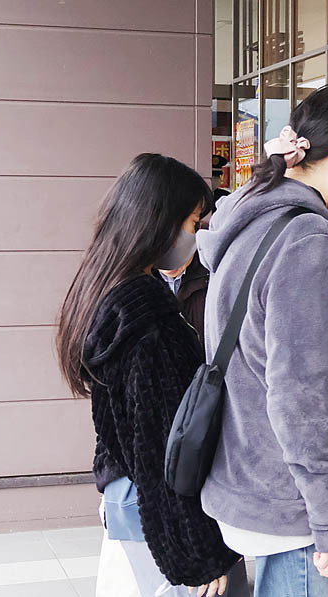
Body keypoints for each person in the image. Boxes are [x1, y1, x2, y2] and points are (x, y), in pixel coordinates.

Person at [197, 85, 328, 597]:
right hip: (293, 504)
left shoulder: (252, 219)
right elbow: (301, 395)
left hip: (259, 477)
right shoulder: (305, 239)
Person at [55, 154, 248, 597]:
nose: (196, 235)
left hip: (128, 497)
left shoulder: (103, 287)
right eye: (194, 222)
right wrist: (197, 553)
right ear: (159, 223)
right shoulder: (146, 315)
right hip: (163, 518)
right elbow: (160, 446)